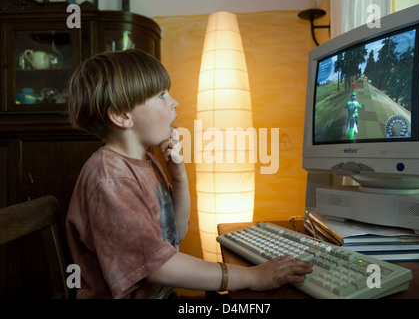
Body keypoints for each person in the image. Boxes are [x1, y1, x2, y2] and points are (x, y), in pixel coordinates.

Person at [65, 49, 313, 299]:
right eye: (161, 95)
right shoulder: (112, 178)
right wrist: (252, 276)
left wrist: (179, 177)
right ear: (122, 116)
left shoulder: (146, 161)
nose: (174, 102)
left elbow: (177, 231)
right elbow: (159, 266)